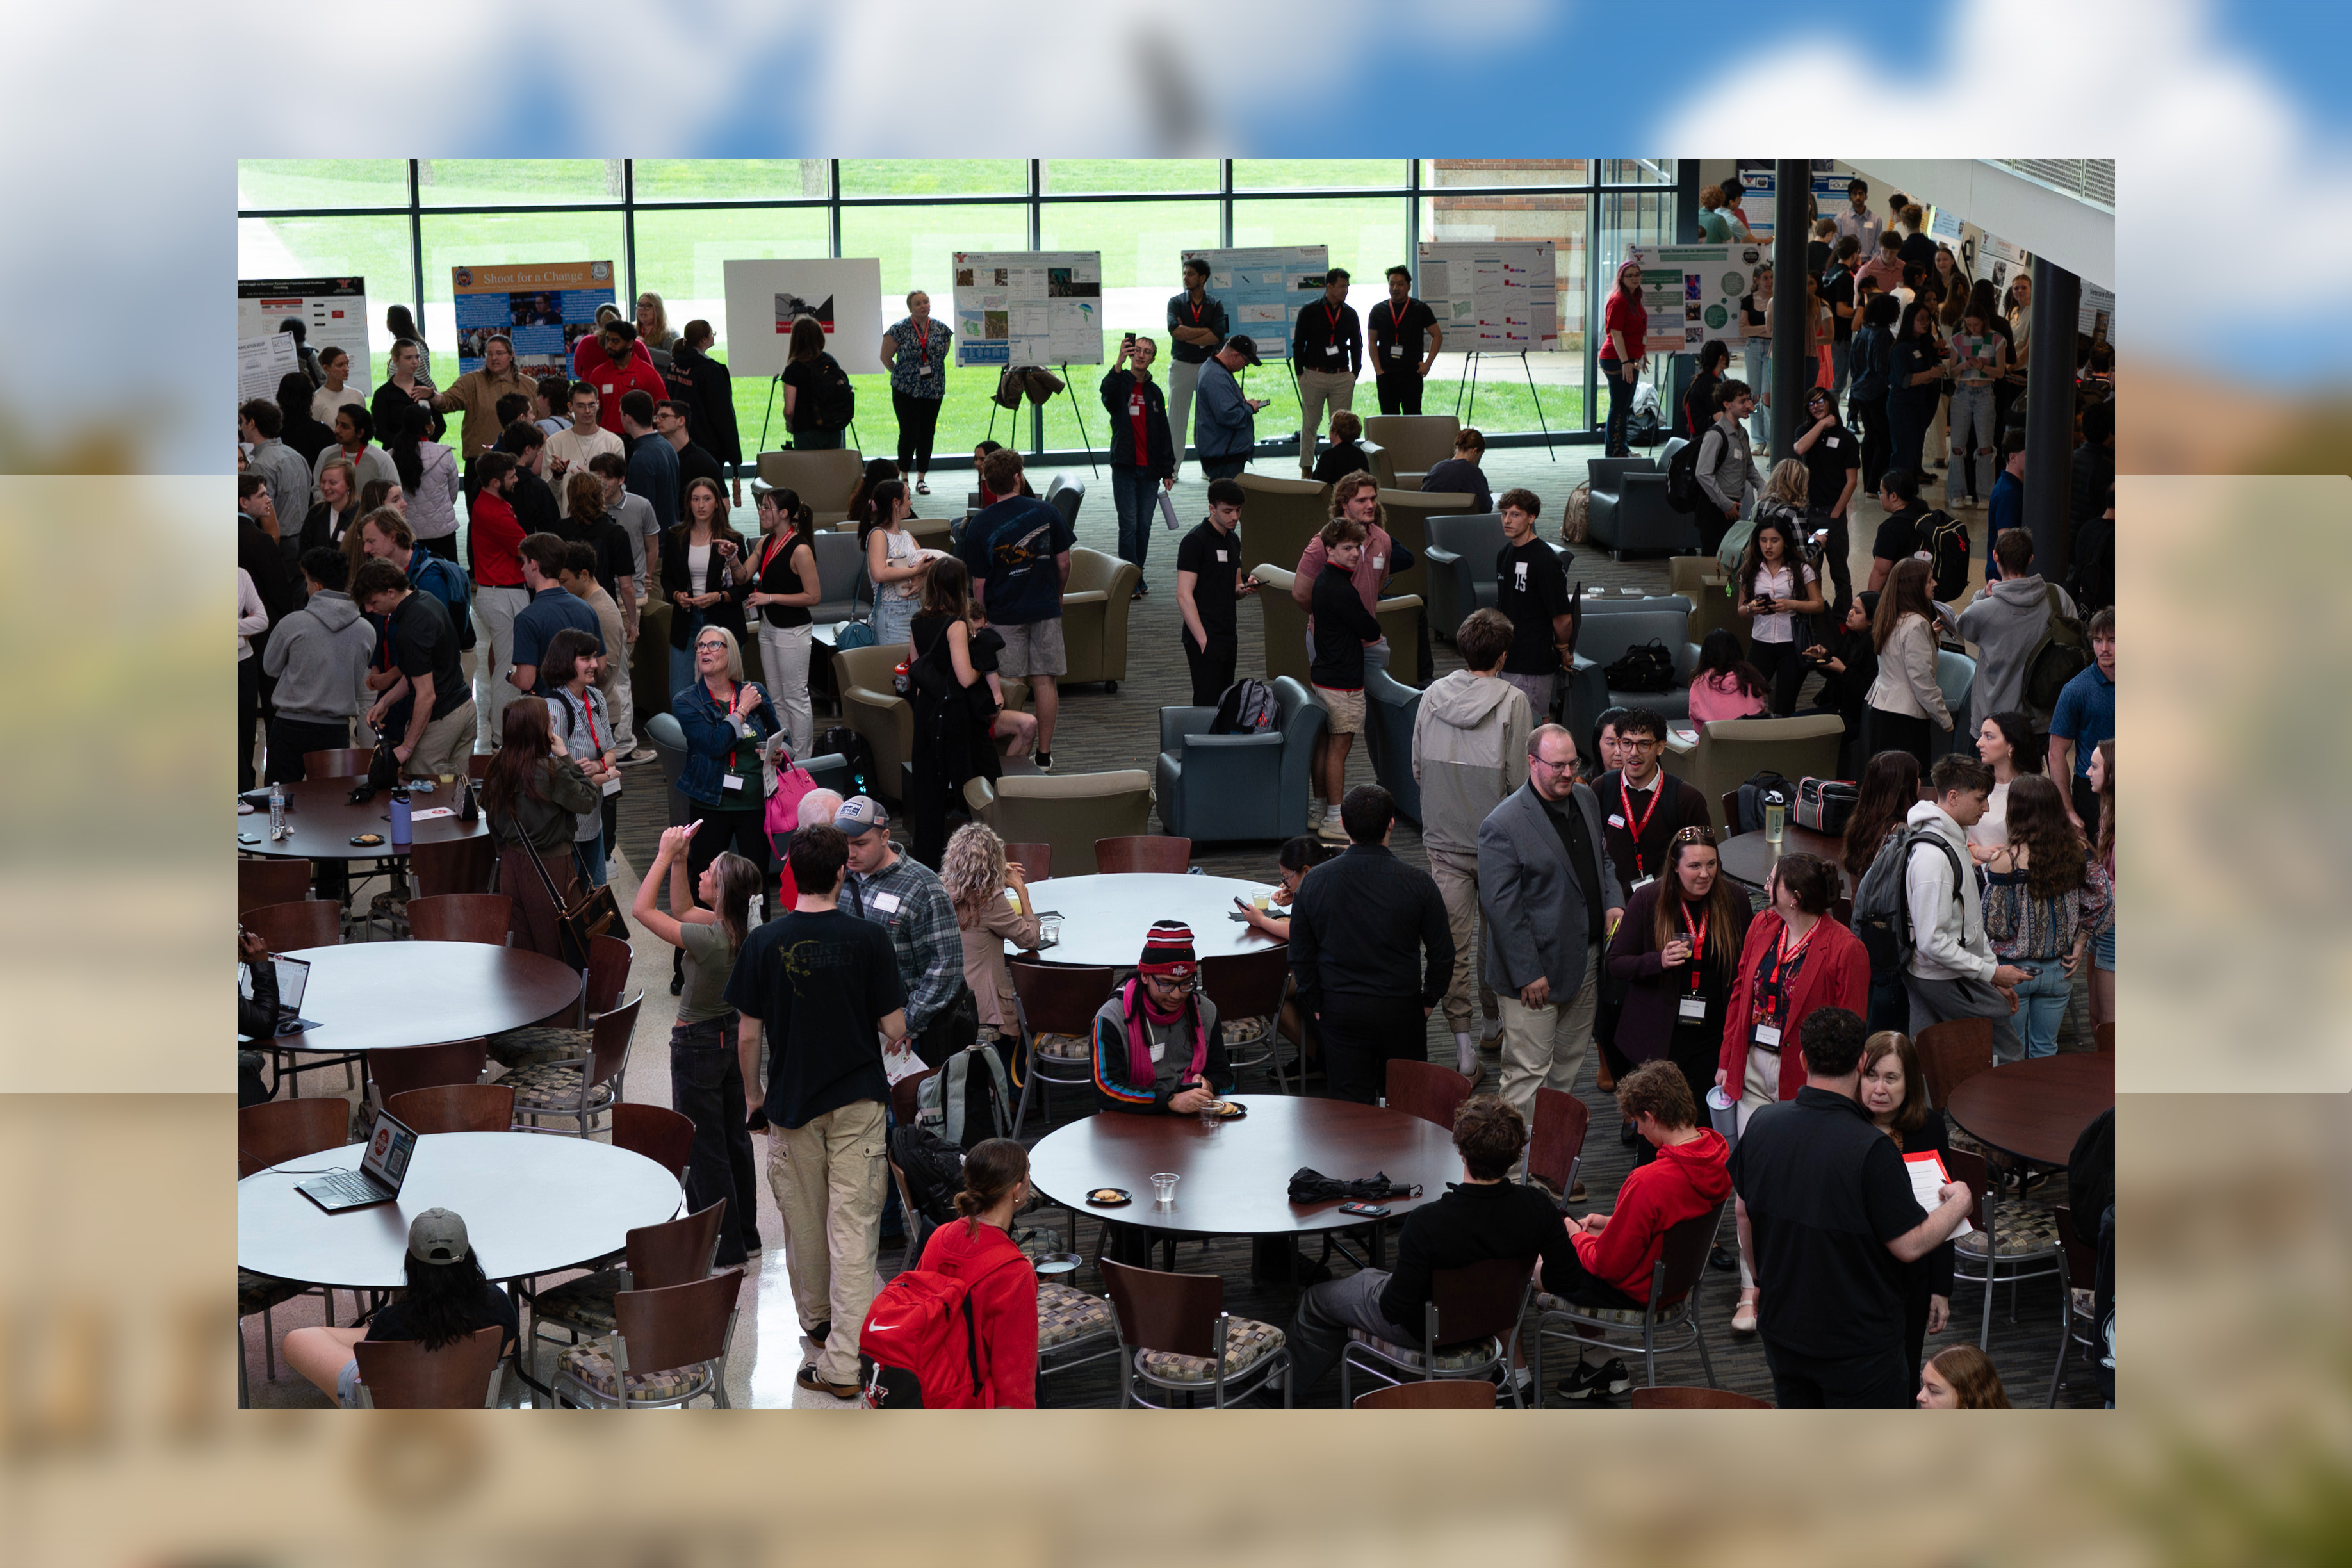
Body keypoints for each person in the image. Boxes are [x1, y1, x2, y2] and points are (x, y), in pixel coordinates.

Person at [725, 823, 909, 1401]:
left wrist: (754, 1099)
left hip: (791, 1104)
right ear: (841, 872)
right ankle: (844, 1362)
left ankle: (820, 1324)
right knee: (852, 1231)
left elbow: (748, 1037)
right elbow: (896, 1027)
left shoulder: (762, 943)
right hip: (858, 1103)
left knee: (803, 1223)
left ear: (790, 875)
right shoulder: (869, 939)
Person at [1285, 1095, 1612, 1400]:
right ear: (1516, 1154)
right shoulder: (1539, 1208)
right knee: (1371, 1277)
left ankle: (1279, 1390)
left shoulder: (1428, 1222)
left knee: (1317, 1299)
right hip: (1494, 1315)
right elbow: (1569, 1279)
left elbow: (1393, 1309)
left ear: (1461, 1151)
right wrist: (1518, 1281)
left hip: (1425, 1331)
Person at [1729, 1006, 1974, 1407]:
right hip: (1859, 1346)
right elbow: (1910, 1244)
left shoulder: (1761, 1123)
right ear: (1862, 1063)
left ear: (1803, 1059)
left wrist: (1762, 1282)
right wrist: (1960, 1202)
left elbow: (1743, 1213)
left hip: (1782, 1327)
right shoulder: (1872, 1150)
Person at [1716, 853, 1869, 1325]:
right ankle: (1751, 1289)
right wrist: (1727, 1062)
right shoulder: (1763, 925)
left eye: (1774, 880)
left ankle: (1799, 1288)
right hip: (1754, 1075)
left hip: (1805, 1085)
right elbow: (1741, 992)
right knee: (1747, 1196)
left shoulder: (1845, 949)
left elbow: (1851, 1032)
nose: (1766, 884)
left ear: (1795, 896)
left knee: (1801, 1197)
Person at [1480, 725, 1621, 1177]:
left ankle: (1549, 1172)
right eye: (1556, 766)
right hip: (1533, 979)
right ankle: (1511, 1182)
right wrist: (1526, 972)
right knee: (1526, 1077)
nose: (1566, 774)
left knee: (1565, 1077)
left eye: (1572, 764)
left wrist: (1613, 897)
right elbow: (1502, 909)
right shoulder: (1502, 824)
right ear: (1532, 763)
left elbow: (1603, 861)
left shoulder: (1585, 798)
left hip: (1585, 964)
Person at [1551, 1061, 1735, 1396]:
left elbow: (1607, 1265)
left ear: (1651, 1117)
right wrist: (1613, 1223)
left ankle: (1527, 1377)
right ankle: (1597, 1364)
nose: (1638, 1131)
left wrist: (1575, 1235)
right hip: (1677, 1281)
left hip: (1640, 1290)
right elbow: (1673, 1223)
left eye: (1638, 1122)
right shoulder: (1718, 1153)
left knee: (1545, 1261)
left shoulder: (1649, 1181)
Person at [631, 824, 765, 1267]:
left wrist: (665, 854)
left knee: (704, 1148)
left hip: (697, 1045)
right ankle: (746, 1234)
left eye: (708, 872)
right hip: (724, 1037)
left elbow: (642, 910)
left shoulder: (709, 939)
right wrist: (684, 861)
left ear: (722, 890)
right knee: (733, 1141)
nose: (702, 875)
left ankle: (723, 1248)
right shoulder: (735, 928)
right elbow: (683, 906)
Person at [1412, 608, 1533, 1077]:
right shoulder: (1514, 701)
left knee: (1453, 946)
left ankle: (1463, 1053)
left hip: (1443, 839)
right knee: (1498, 938)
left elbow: (1418, 768)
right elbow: (1522, 782)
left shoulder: (1431, 696)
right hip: (1499, 843)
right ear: (1503, 656)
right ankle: (1490, 1025)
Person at [1290, 785, 1453, 1106]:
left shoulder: (1314, 883)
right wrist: (1429, 1000)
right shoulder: (1419, 883)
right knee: (1408, 1107)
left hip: (1340, 1009)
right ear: (1391, 824)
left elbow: (1301, 956)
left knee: (1351, 1113)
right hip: (1402, 1010)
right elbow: (1443, 954)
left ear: (1345, 827)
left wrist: (1318, 1005)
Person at [281, 1209, 518, 1409]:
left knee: (298, 1339)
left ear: (411, 1264)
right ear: (469, 1257)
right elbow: (507, 1345)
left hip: (388, 1406)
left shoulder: (392, 1321)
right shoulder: (498, 1302)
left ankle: (386, 1334)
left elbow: (368, 1374)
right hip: (464, 1398)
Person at [1608, 828, 1750, 1127]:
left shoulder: (1733, 899)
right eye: (1694, 866)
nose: (1705, 874)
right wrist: (1657, 960)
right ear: (1675, 866)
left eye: (1711, 864)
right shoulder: (1648, 900)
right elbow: (1616, 963)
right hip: (1661, 1034)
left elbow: (1746, 964)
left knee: (1703, 1121)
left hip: (1713, 1033)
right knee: (1660, 1123)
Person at [1899, 753, 2034, 1063]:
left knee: (1931, 1061)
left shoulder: (1954, 841)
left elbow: (1970, 921)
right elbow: (1933, 941)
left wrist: (1991, 973)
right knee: (2006, 1052)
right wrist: (1992, 974)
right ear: (1953, 796)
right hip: (1941, 975)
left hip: (1947, 973)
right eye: (1980, 800)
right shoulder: (1933, 859)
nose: (1986, 808)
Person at [960, 446, 1075, 770]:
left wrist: (981, 621)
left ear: (989, 483)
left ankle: (1007, 757)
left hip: (1002, 616)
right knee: (1045, 682)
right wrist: (1058, 594)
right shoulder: (1047, 512)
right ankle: (1044, 756)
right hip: (1045, 608)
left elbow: (979, 584)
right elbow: (1064, 563)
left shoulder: (979, 525)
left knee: (1009, 686)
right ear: (1018, 476)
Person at [1858, 1031, 1957, 1388]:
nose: (1879, 1089)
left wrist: (1940, 1288)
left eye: (1891, 1078)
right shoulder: (1847, 1127)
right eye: (1871, 1075)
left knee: (1905, 1371)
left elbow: (1942, 1210)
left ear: (1910, 1082)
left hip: (1913, 1278)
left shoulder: (1928, 1127)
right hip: (1858, 1279)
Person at [833, 797, 967, 1066]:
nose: (850, 853)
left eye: (860, 843)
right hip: (857, 1030)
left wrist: (909, 1022)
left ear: (885, 836)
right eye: (844, 843)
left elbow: (947, 965)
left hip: (909, 1035)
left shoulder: (922, 885)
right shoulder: (837, 878)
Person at [1980, 774, 2104, 1059]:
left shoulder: (2005, 861)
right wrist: (2082, 939)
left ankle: (2013, 1107)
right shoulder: (2079, 851)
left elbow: (1994, 925)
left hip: (2014, 972)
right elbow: (2104, 900)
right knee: (2046, 1051)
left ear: (2016, 811)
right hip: (2060, 969)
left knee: (2012, 1055)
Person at [912, 1138, 1041, 1407]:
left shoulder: (940, 1236)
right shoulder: (1014, 1275)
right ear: (1016, 1190)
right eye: (1028, 1173)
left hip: (927, 1386)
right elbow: (1015, 1386)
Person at [673, 626, 778, 941]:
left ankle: (758, 953)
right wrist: (742, 710)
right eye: (700, 646)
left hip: (754, 803)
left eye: (713, 645)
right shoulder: (688, 701)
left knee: (755, 885)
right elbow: (716, 744)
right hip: (711, 803)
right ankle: (689, 959)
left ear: (730, 653)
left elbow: (776, 735)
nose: (705, 651)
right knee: (701, 883)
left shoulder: (753, 690)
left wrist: (773, 753)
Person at [901, 558, 1002, 868]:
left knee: (928, 793)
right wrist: (980, 660)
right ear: (960, 587)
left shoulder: (918, 621)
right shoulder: (956, 625)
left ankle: (929, 864)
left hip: (927, 712)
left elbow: (917, 672)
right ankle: (983, 860)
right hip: (956, 715)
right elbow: (964, 677)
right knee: (975, 786)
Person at [478, 699, 598, 956]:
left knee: (523, 953)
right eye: (549, 722)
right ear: (539, 730)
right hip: (551, 868)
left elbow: (491, 820)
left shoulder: (496, 768)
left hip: (511, 866)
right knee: (561, 949)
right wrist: (566, 756)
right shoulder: (552, 772)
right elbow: (589, 799)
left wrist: (510, 848)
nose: (553, 726)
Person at [1088, 920, 1234, 1115]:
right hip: (1131, 1122)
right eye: (1166, 983)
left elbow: (1225, 1078)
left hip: (1192, 1119)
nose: (1177, 994)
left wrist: (1210, 1085)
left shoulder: (1205, 1011)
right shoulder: (1111, 1018)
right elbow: (1105, 1090)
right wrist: (1170, 1101)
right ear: (1145, 976)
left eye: (1186, 983)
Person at [353, 558, 476, 783]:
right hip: (464, 708)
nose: (369, 609)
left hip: (441, 720)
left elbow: (426, 695)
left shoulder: (410, 628)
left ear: (391, 592)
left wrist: (407, 748)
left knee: (425, 797)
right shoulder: (426, 600)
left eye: (372, 602)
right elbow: (415, 674)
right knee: (456, 796)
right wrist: (385, 702)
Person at [261, 548, 375, 785]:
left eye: (306, 581)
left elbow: (270, 667)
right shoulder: (365, 630)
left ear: (318, 587)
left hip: (289, 728)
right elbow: (366, 692)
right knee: (332, 808)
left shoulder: (292, 624)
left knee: (279, 802)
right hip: (335, 732)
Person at [1944, 530, 2076, 735]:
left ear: (1995, 556)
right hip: (2041, 716)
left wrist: (1982, 596)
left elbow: (1960, 625)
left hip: (1995, 722)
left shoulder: (1984, 610)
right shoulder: (2057, 596)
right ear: (2030, 558)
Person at [1305, 515, 1385, 840]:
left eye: (1358, 547)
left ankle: (1320, 808)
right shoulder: (1342, 589)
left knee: (1324, 748)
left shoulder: (1324, 580)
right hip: (1343, 683)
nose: (1355, 553)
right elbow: (1371, 629)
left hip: (1324, 675)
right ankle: (1334, 818)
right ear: (1329, 550)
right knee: (1338, 750)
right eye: (1347, 548)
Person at [1840, 749, 1923, 1032]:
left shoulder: (1859, 825)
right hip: (1894, 952)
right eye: (1917, 778)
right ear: (1905, 788)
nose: (1921, 783)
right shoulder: (1903, 835)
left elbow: (1855, 892)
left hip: (1865, 940)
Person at [941, 823, 1043, 1048]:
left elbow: (969, 882)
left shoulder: (941, 888)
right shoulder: (989, 899)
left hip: (948, 998)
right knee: (1034, 1018)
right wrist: (1021, 890)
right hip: (985, 1009)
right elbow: (1030, 939)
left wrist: (992, 872)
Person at [537, 626, 621, 886]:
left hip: (593, 820)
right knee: (575, 902)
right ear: (565, 662)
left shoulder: (595, 697)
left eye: (594, 657)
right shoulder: (555, 708)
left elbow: (611, 754)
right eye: (586, 659)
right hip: (568, 829)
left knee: (596, 900)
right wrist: (605, 775)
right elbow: (554, 778)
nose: (595, 665)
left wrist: (597, 767)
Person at [554, 543, 633, 803]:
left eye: (564, 580)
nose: (560, 585)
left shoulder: (602, 611)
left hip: (599, 710)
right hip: (588, 707)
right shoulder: (586, 604)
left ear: (584, 575)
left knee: (600, 797)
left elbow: (606, 670)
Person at [745, 486, 821, 758]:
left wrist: (771, 598)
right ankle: (785, 755)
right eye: (762, 507)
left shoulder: (800, 548)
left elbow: (813, 596)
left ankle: (802, 760)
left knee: (795, 697)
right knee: (775, 696)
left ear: (785, 514)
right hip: (769, 627)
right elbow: (743, 575)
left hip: (793, 631)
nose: (762, 512)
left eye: (767, 507)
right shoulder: (766, 543)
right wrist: (731, 557)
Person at [1735, 500, 1825, 717]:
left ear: (1785, 542)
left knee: (1785, 703)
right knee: (1746, 696)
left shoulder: (1801, 569)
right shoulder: (1750, 570)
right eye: (1763, 541)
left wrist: (1791, 604)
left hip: (1791, 644)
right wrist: (1752, 609)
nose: (1768, 546)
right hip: (1761, 642)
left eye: (1774, 540)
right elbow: (1740, 609)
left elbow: (1818, 605)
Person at [662, 476, 749, 696]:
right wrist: (676, 595)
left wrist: (717, 597)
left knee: (725, 694)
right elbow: (667, 578)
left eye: (707, 499)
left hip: (724, 623)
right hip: (687, 621)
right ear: (688, 503)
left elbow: (743, 588)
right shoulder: (676, 536)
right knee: (681, 694)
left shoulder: (732, 539)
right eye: (696, 499)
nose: (701, 505)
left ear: (717, 503)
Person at [1490, 487, 1572, 722]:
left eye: (1515, 514)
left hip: (1534, 660)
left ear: (1531, 518)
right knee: (1511, 722)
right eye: (1504, 514)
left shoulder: (1546, 561)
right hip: (1509, 657)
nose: (1507, 520)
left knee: (1535, 722)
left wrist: (1564, 650)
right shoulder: (1504, 554)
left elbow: (1563, 617)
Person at [1173, 477, 1255, 706]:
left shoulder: (1233, 540)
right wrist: (1202, 639)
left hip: (1228, 633)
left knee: (1225, 700)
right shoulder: (1195, 541)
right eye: (1228, 511)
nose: (1235, 517)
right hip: (1205, 633)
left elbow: (1235, 588)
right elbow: (1183, 594)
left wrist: (1247, 588)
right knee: (1206, 700)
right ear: (1212, 508)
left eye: (1238, 511)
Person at [1863, 559, 1948, 771]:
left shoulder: (1889, 616)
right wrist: (1945, 718)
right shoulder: (1917, 624)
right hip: (1905, 720)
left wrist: (1931, 635)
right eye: (1929, 581)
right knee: (1906, 787)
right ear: (1916, 587)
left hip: (1882, 709)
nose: (1935, 584)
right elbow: (1922, 681)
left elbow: (1898, 654)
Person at [870, 291, 952, 493]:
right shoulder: (898, 330)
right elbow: (886, 357)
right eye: (918, 303)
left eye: (926, 302)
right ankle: (904, 476)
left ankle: (922, 478)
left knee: (927, 432)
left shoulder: (941, 329)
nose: (924, 306)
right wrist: (903, 375)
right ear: (910, 308)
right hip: (905, 390)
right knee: (908, 432)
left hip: (933, 389)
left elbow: (942, 355)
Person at [1790, 385, 1859, 617]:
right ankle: (1814, 615)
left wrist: (1837, 512)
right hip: (1808, 512)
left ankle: (1842, 618)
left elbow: (1852, 481)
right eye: (1812, 403)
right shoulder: (1804, 431)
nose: (1817, 406)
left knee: (1840, 571)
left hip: (1833, 513)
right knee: (1810, 568)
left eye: (1821, 401)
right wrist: (1821, 425)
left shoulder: (1847, 438)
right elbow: (1800, 448)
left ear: (1830, 402)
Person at [507, 530, 602, 699]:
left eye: (524, 562)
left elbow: (526, 681)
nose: (522, 568)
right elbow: (600, 665)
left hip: (549, 715)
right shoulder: (587, 609)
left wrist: (511, 675)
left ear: (534, 564)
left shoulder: (527, 619)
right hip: (584, 710)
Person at [2048, 607, 2116, 836]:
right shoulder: (2076, 690)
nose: (2104, 648)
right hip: (2091, 791)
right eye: (2098, 640)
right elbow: (2056, 753)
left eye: (2113, 640)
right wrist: (2067, 810)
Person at [1294, 267, 1363, 478]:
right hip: (1314, 375)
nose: (1346, 291)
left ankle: (1339, 468)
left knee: (1343, 427)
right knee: (1310, 424)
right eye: (1342, 286)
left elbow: (1357, 345)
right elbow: (1299, 344)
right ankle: (1307, 468)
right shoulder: (1309, 311)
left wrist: (1354, 374)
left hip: (1342, 377)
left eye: (1348, 287)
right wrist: (1301, 374)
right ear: (1330, 286)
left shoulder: (1350, 314)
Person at [1164, 256, 1229, 478]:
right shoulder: (1175, 302)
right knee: (1176, 420)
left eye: (1190, 274)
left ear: (1203, 278)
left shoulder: (1216, 305)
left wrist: (1188, 331)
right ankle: (1171, 470)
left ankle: (1208, 468)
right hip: (1181, 366)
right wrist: (1203, 332)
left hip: (1208, 367)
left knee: (1207, 420)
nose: (1186, 278)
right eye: (1184, 274)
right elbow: (1174, 330)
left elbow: (1218, 336)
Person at [664, 320, 743, 502]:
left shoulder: (675, 365)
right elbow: (723, 415)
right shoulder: (712, 371)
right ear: (705, 339)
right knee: (707, 494)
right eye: (712, 333)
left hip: (678, 439)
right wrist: (734, 454)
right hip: (707, 445)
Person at [430, 334, 532, 466]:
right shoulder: (472, 381)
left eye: (499, 353)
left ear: (511, 355)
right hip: (480, 463)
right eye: (489, 354)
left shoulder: (529, 385)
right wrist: (433, 396)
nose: (494, 358)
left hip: (520, 463)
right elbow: (448, 401)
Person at [1941, 302, 2004, 512]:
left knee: (1985, 446)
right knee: (1958, 446)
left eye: (1976, 325)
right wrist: (1963, 365)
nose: (1973, 328)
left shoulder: (1997, 339)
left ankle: (1985, 494)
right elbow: (1952, 371)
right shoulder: (1958, 339)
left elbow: (2001, 372)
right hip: (1962, 394)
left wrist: (1983, 367)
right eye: (1969, 325)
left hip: (1985, 394)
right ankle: (1956, 493)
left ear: (1984, 322)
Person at [860, 478, 933, 650]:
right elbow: (879, 573)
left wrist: (922, 577)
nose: (911, 502)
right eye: (908, 498)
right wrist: (915, 571)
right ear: (896, 503)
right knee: (896, 669)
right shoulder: (879, 534)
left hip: (916, 608)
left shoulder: (906, 535)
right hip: (893, 613)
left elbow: (927, 563)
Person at [1694, 379, 1760, 555]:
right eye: (1742, 401)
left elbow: (1750, 468)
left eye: (1748, 399)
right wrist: (1725, 504)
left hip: (1732, 508)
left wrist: (1763, 487)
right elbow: (1703, 474)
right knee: (1713, 565)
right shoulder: (1716, 435)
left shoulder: (1742, 433)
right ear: (1727, 405)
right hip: (1714, 508)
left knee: (1729, 564)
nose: (1748, 405)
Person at [1367, 264, 1442, 415]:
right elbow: (1372, 342)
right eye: (1391, 283)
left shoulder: (1420, 309)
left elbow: (1438, 336)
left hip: (1412, 374)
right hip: (1386, 374)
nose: (1395, 288)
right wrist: (1378, 370)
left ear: (1408, 286)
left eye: (1400, 284)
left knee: (1413, 417)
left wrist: (1427, 364)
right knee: (1389, 419)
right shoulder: (1378, 310)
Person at [1191, 334, 1266, 482]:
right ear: (1235, 356)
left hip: (1224, 452)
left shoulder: (1215, 368)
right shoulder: (1216, 376)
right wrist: (1249, 408)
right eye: (1246, 362)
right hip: (1224, 457)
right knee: (1226, 502)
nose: (1246, 366)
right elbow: (1228, 415)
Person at [575, 320, 668, 437]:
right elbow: (595, 411)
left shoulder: (648, 374)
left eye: (615, 341)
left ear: (630, 344)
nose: (609, 345)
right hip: (607, 439)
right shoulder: (598, 374)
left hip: (639, 440)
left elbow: (662, 408)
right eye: (608, 340)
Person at [1886, 302, 1945, 482]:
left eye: (1928, 319)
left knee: (1917, 442)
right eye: (1921, 319)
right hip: (1902, 404)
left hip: (1918, 402)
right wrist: (1929, 374)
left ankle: (1914, 474)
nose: (1926, 323)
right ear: (1910, 321)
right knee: (1904, 446)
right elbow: (1904, 379)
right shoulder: (1900, 348)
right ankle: (1897, 484)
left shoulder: (1922, 343)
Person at [546, 383, 624, 519]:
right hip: (568, 521)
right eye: (581, 406)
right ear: (570, 407)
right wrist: (557, 478)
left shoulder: (613, 443)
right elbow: (548, 495)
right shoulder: (555, 442)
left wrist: (589, 481)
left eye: (591, 405)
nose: (587, 411)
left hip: (603, 521)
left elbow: (617, 489)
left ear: (598, 404)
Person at [1964, 711, 2037, 854]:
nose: (1979, 743)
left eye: (1989, 737)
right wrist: (1975, 851)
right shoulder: (1971, 783)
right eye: (1981, 735)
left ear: (2011, 745)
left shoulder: (2033, 792)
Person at [1849, 293, 1899, 492]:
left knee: (1870, 437)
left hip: (1860, 391)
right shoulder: (1884, 335)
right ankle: (1875, 484)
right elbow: (1882, 367)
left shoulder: (1863, 332)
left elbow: (1854, 363)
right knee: (1884, 440)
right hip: (1877, 393)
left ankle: (1867, 482)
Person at [240, 398, 313, 530]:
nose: (241, 428)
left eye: (242, 422)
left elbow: (264, 512)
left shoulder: (260, 465)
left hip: (279, 538)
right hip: (303, 534)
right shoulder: (297, 456)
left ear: (251, 424)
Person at [1599, 260, 1647, 457]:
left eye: (1638, 274)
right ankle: (1615, 451)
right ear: (1621, 278)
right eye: (1630, 275)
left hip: (1629, 358)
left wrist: (1641, 355)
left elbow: (1636, 331)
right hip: (1616, 359)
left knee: (1624, 406)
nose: (1635, 278)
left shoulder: (1634, 298)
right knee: (1619, 406)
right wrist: (1626, 362)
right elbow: (1616, 334)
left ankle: (1621, 447)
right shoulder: (1618, 300)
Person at [780, 316, 849, 452]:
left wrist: (789, 425)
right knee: (832, 471)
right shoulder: (830, 362)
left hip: (806, 432)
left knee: (808, 472)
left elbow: (789, 411)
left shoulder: (794, 369)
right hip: (833, 428)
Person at [311, 403, 398, 507]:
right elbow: (316, 489)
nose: (337, 430)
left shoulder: (381, 459)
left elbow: (395, 492)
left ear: (360, 433)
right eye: (337, 424)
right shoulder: (326, 455)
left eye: (344, 427)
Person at [2086, 740, 2116, 1036]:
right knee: (2095, 1016)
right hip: (2102, 923)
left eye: (2095, 767)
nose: (2087, 772)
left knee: (2110, 1025)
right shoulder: (2108, 811)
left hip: (2117, 925)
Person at [236, 564, 272, 793]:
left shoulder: (240, 575)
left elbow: (262, 620)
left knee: (246, 737)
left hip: (243, 665)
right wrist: (241, 630)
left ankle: (245, 796)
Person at [370, 336, 441, 450]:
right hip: (395, 452)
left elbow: (440, 425)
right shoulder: (383, 394)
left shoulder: (426, 390)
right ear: (395, 359)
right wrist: (403, 445)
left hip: (424, 451)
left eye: (417, 357)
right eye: (408, 358)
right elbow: (379, 431)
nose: (414, 362)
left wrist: (426, 444)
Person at [654, 397, 726, 506]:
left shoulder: (704, 462)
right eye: (657, 417)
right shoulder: (659, 458)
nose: (657, 421)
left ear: (681, 421)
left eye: (664, 417)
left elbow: (724, 503)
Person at [1688, 628, 1769, 723]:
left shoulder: (1701, 681)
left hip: (1716, 736)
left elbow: (1697, 723)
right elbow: (1761, 709)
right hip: (1753, 735)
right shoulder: (1750, 675)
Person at [298, 456, 364, 565]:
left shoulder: (361, 514)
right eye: (323, 482)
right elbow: (303, 554)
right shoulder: (315, 513)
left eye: (333, 483)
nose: (326, 487)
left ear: (349, 485)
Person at [1421, 427, 1494, 515]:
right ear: (1475, 452)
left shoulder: (1436, 468)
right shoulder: (1473, 472)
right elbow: (1486, 506)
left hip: (1431, 521)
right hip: (1462, 524)